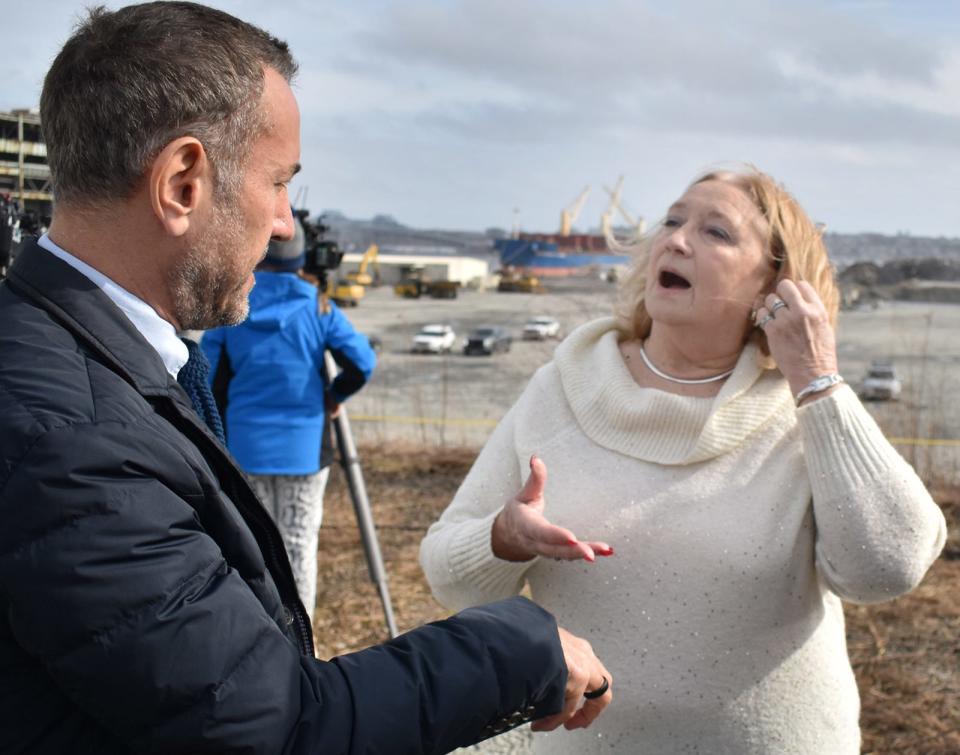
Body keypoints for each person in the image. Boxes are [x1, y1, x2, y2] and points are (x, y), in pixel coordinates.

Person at [0, 3, 612, 753]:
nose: (287, 223)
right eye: (277, 182)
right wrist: (524, 649)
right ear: (183, 183)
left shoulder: (63, 351)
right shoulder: (74, 440)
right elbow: (280, 728)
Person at [421, 166, 947, 754]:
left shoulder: (803, 410)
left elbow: (888, 570)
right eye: (672, 220)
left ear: (774, 284)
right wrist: (503, 537)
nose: (673, 239)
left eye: (716, 232)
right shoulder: (562, 388)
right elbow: (449, 578)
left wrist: (820, 381)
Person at [201, 219, 377, 621]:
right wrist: (335, 396)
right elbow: (362, 362)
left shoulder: (235, 304)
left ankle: (259, 628)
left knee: (251, 544)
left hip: (244, 449)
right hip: (305, 449)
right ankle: (302, 638)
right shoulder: (319, 306)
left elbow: (206, 375)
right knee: (299, 544)